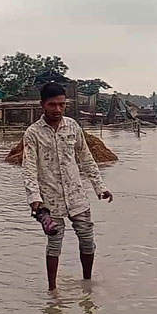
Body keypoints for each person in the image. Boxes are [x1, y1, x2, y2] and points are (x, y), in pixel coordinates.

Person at [22, 83, 113, 291]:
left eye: (62, 105)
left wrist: (100, 186)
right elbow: (29, 168)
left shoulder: (73, 127)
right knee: (54, 243)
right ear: (42, 105)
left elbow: (86, 158)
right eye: (52, 105)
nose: (57, 109)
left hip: (76, 194)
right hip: (49, 197)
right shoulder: (32, 134)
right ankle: (52, 291)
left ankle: (87, 284)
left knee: (87, 240)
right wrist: (34, 198)